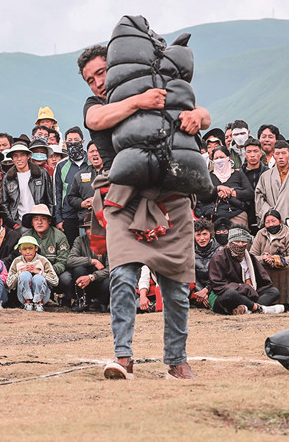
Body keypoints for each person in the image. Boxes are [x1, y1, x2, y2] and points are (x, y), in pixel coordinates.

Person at [78, 42, 212, 380]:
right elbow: (96, 119)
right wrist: (138, 101)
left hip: (172, 197)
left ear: (116, 67)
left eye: (101, 72)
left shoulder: (158, 86)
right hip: (123, 198)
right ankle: (123, 357)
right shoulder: (97, 104)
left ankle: (177, 361)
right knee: (123, 277)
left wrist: (196, 117)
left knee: (177, 288)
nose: (98, 82)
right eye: (90, 79)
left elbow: (204, 113)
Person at [208, 228, 284, 315]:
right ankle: (258, 308)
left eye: (243, 242)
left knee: (274, 291)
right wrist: (243, 288)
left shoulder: (249, 257)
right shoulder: (219, 258)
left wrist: (250, 288)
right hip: (225, 294)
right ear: (230, 242)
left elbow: (261, 281)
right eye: (237, 241)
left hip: (249, 293)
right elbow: (218, 285)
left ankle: (247, 309)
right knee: (231, 293)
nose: (240, 244)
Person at [21, 204, 72, 307]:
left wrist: (47, 271)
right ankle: (27, 300)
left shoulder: (59, 236)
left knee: (66, 278)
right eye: (36, 219)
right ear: (32, 222)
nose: (39, 222)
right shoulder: (26, 237)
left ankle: (66, 298)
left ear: (49, 221)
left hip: (53, 272)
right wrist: (31, 270)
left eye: (43, 219)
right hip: (31, 272)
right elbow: (20, 259)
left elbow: (63, 261)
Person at [254, 141, 289, 233]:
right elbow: (259, 199)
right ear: (273, 155)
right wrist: (271, 214)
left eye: (284, 153)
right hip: (271, 224)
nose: (280, 157)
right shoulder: (265, 176)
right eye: (277, 153)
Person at [250, 209, 289, 305]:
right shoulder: (260, 234)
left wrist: (275, 260)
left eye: (273, 221)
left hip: (284, 265)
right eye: (267, 222)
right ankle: (262, 301)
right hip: (264, 264)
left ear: (280, 222)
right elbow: (252, 255)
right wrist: (264, 259)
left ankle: (288, 302)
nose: (271, 224)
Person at [195, 145, 253, 227]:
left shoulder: (238, 174)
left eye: (222, 157)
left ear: (229, 157)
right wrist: (217, 189)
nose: (219, 160)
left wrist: (232, 193)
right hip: (213, 216)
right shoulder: (208, 176)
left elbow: (250, 193)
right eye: (216, 158)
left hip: (236, 214)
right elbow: (202, 195)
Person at [0, 143, 54, 228]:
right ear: (12, 159)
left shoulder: (42, 173)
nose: (19, 159)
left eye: (22, 155)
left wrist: (49, 219)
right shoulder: (8, 178)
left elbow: (50, 199)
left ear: (28, 156)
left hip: (41, 220)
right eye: (15, 156)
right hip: (19, 222)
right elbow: (4, 203)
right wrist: (13, 223)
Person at [66, 214, 110, 312]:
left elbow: (110, 269)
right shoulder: (80, 240)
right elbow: (70, 260)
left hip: (100, 280)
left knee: (109, 280)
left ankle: (103, 303)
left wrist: (92, 277)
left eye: (93, 228)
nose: (90, 231)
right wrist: (92, 261)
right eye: (88, 228)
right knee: (79, 270)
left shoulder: (108, 242)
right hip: (84, 282)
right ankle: (82, 300)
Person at [53, 127, 89, 245]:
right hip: (68, 216)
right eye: (70, 140)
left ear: (83, 141)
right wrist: (58, 218)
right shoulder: (61, 166)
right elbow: (57, 193)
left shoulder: (91, 162)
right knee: (72, 249)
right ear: (65, 143)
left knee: (91, 249)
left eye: (76, 140)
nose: (73, 143)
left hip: (90, 214)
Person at [6, 235, 58, 311]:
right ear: (20, 250)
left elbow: (55, 281)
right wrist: (20, 272)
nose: (28, 252)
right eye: (24, 249)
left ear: (36, 248)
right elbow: (9, 284)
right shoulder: (17, 261)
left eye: (30, 248)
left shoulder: (43, 260)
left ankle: (39, 303)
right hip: (22, 296)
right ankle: (27, 302)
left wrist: (39, 272)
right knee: (25, 275)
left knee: (38, 278)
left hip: (43, 296)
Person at [191, 219, 218, 309]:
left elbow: (221, 277)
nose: (202, 238)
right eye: (198, 235)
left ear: (210, 234)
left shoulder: (220, 252)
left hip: (215, 289)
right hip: (197, 291)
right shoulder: (189, 253)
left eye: (205, 234)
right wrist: (200, 294)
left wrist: (206, 292)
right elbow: (190, 277)